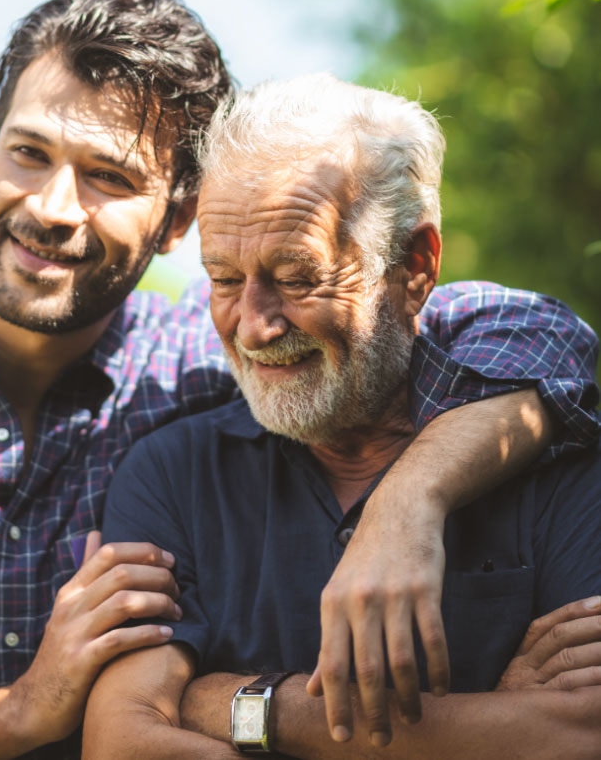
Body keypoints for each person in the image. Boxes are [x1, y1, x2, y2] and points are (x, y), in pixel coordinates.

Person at [0, 0, 598, 760]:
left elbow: (527, 337)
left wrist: (410, 502)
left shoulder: (226, 365)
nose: (50, 207)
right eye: (28, 152)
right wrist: (13, 712)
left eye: (109, 176)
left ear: (177, 221)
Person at [86, 72, 601, 759]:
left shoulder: (553, 455)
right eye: (224, 280)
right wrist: (492, 725)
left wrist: (234, 702)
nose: (254, 328)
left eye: (297, 277)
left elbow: (586, 731)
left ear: (414, 268)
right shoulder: (173, 474)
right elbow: (123, 742)